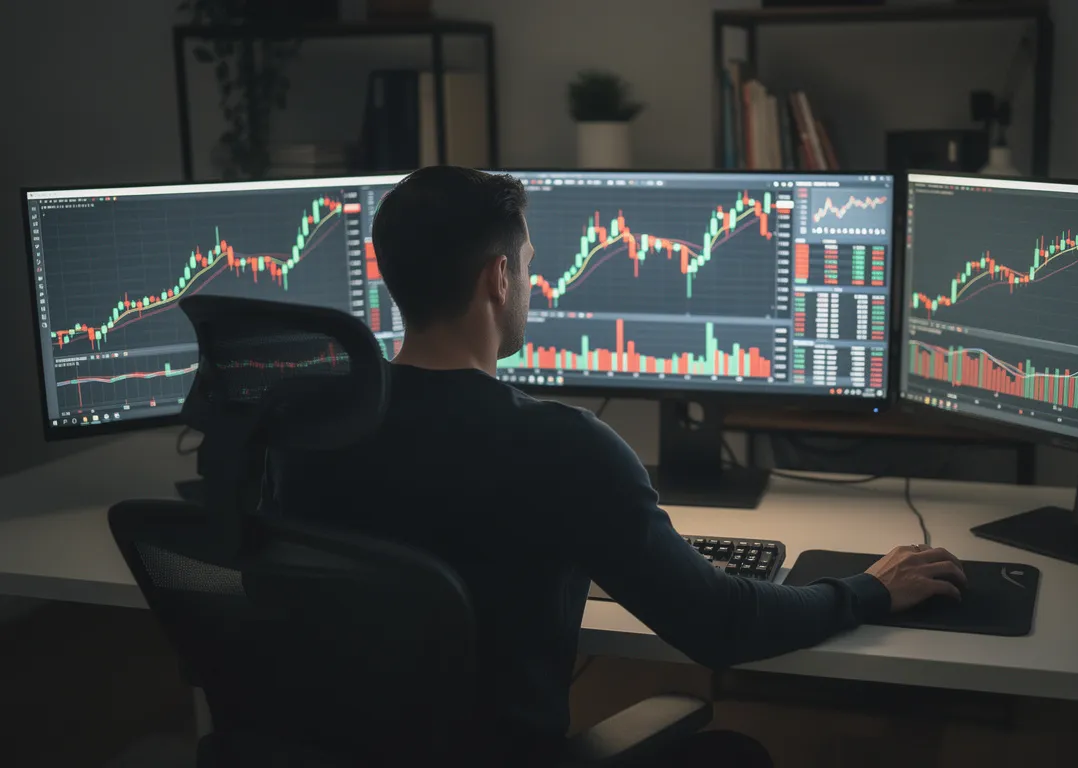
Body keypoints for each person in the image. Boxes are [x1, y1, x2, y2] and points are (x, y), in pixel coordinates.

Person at [273, 166, 966, 767]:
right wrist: (871, 589)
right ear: (499, 276)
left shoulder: (310, 428)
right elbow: (720, 625)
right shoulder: (562, 446)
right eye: (530, 265)